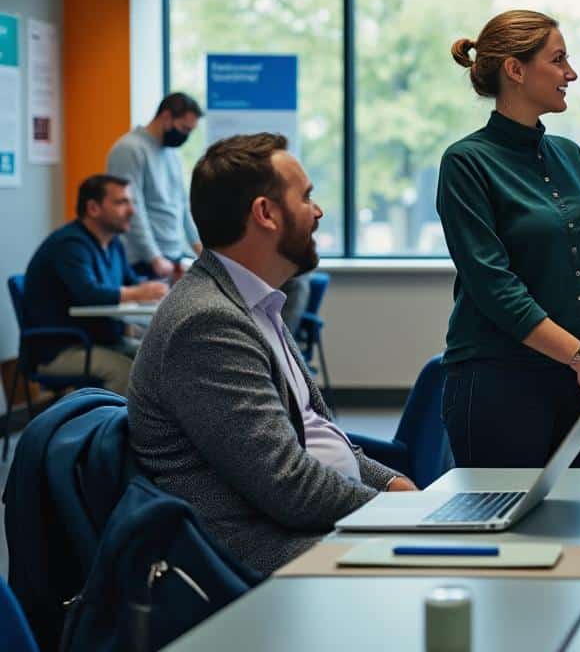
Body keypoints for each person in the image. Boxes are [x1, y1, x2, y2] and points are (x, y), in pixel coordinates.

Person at [127, 133, 414, 575]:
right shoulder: (207, 323)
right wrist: (398, 515)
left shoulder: (254, 304)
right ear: (265, 213)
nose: (317, 213)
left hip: (316, 528)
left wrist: (393, 485)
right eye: (306, 198)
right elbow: (289, 488)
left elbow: (320, 437)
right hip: (269, 552)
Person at [438, 10, 580, 469]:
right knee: (504, 531)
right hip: (500, 380)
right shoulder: (466, 163)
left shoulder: (569, 155)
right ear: (516, 70)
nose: (570, 74)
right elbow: (495, 287)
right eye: (558, 60)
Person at [21, 175, 169, 395]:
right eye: (121, 202)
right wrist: (139, 292)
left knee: (158, 360)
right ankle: (110, 429)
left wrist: (153, 289)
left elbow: (132, 284)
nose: (132, 211)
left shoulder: (113, 243)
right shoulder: (69, 245)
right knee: (125, 371)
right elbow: (89, 294)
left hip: (100, 341)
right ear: (93, 208)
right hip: (60, 349)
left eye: (131, 202)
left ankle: (154, 428)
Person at [106, 92, 204, 280]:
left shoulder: (172, 154)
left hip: (172, 257)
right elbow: (132, 208)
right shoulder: (129, 149)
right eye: (184, 129)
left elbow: (182, 205)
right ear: (166, 117)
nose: (186, 136)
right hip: (142, 260)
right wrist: (154, 257)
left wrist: (200, 249)